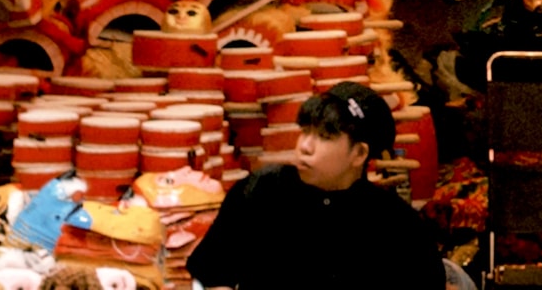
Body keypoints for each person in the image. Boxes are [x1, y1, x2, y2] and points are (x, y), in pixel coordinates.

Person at [188, 82, 445, 289]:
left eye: (324, 136)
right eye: (305, 130)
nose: (305, 146)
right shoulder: (260, 192)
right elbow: (212, 273)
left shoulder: (397, 225)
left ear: (359, 154)